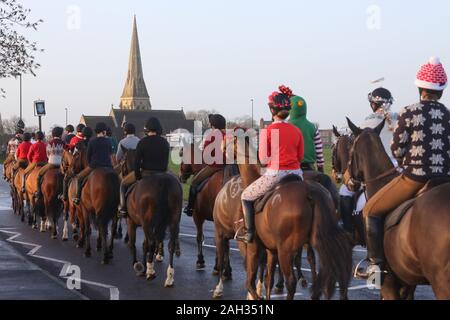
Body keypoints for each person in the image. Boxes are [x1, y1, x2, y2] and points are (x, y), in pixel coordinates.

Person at [357, 57, 450, 279]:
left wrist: (404, 156)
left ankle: (375, 267)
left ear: (420, 88)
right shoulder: (448, 114)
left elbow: (397, 148)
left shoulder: (409, 111)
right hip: (445, 177)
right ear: (442, 91)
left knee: (370, 210)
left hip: (415, 177)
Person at [236, 88, 304, 243]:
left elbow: (264, 159)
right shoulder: (296, 130)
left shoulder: (268, 131)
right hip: (297, 174)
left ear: (272, 110)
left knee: (245, 196)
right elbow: (299, 156)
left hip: (276, 174)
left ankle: (249, 232)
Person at [118, 117, 169, 217]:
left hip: (146, 172)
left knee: (123, 184)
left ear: (147, 129)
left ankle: (123, 208)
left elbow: (137, 163)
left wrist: (138, 177)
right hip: (162, 173)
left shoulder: (143, 142)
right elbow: (165, 162)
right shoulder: (165, 142)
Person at [183, 114, 227, 217]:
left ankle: (190, 207)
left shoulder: (211, 135)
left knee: (194, 182)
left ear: (213, 125)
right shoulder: (227, 135)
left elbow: (205, 153)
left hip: (215, 166)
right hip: (228, 166)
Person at [73, 122, 113, 205]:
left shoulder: (92, 142)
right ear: (104, 131)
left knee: (78, 178)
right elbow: (111, 154)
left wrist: (91, 163)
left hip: (94, 166)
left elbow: (88, 156)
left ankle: (77, 197)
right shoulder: (108, 141)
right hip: (108, 166)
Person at [286, 86, 324, 172]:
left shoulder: (285, 126)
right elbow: (319, 150)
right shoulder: (313, 127)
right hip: (310, 167)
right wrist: (320, 167)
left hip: (291, 168)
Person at [60, 127, 94, 201]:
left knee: (70, 178)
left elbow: (75, 157)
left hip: (84, 167)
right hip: (97, 167)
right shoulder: (94, 143)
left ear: (83, 134)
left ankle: (72, 196)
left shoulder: (79, 144)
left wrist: (71, 167)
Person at [35, 127, 65, 201]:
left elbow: (47, 155)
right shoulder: (63, 143)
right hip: (61, 165)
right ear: (60, 134)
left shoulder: (49, 143)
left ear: (52, 134)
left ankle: (38, 192)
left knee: (39, 175)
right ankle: (64, 193)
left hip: (51, 164)